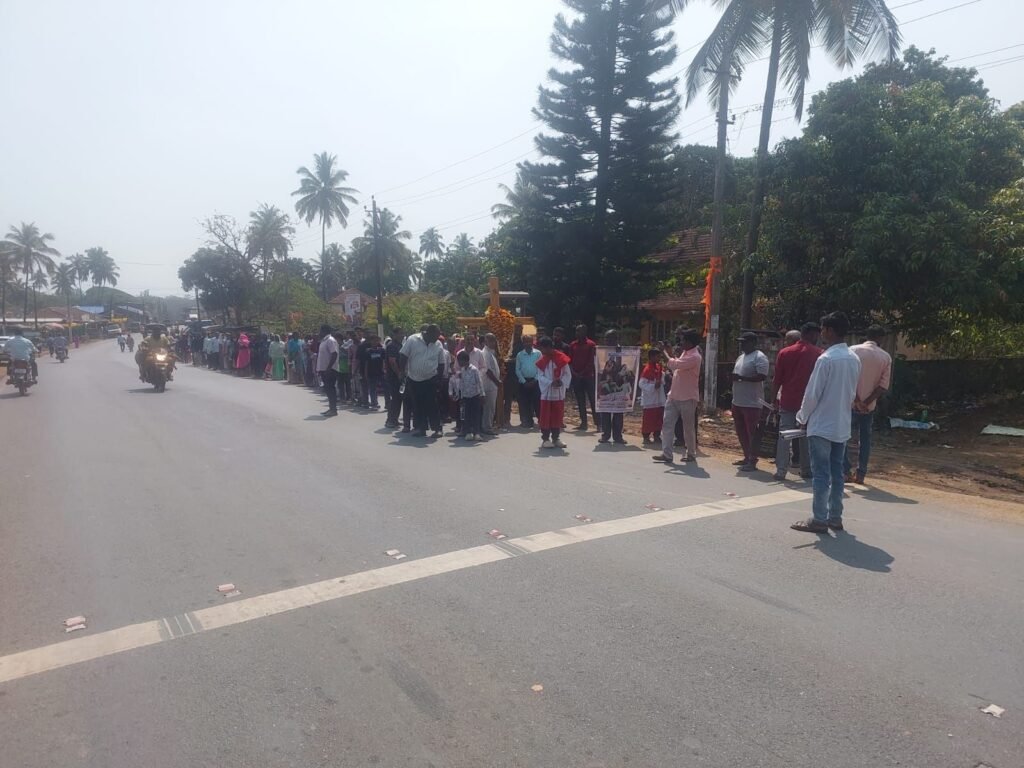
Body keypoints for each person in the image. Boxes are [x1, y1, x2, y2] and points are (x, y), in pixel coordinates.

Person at [791, 312, 862, 533]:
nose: (821, 333)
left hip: (821, 425)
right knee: (836, 473)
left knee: (821, 474)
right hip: (841, 425)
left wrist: (802, 417)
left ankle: (819, 519)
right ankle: (835, 517)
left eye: (823, 329)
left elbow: (812, 394)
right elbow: (852, 392)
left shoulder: (826, 359)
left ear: (830, 331)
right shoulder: (853, 358)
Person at [770, 322, 822, 480]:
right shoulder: (819, 353)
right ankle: (806, 470)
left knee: (784, 436)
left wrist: (773, 400)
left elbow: (777, 380)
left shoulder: (785, 352)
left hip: (788, 401)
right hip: (809, 404)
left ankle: (781, 471)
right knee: (806, 435)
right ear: (812, 335)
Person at [845, 325, 892, 484]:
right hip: (868, 407)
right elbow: (882, 386)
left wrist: (857, 400)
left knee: (844, 437)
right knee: (864, 440)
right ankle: (861, 474)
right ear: (881, 338)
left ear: (867, 335)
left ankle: (845, 472)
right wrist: (866, 402)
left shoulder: (852, 351)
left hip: (850, 404)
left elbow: (848, 379)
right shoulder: (885, 357)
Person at [653, 330, 702, 464]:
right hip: (674, 395)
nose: (681, 343)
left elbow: (675, 364)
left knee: (688, 428)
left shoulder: (694, 357)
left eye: (683, 340)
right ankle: (667, 454)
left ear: (690, 342)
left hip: (688, 397)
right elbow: (676, 367)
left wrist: (664, 352)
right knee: (667, 425)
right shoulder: (685, 353)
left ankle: (691, 453)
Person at [730, 332, 769, 471]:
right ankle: (746, 456)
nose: (742, 344)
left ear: (753, 343)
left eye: (744, 342)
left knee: (752, 433)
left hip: (752, 402)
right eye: (741, 342)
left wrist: (742, 378)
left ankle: (753, 460)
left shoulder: (759, 357)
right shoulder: (741, 357)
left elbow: (762, 376)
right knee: (741, 431)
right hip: (738, 401)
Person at [399, 324, 445, 438]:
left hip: (431, 379)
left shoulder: (438, 344)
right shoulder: (412, 340)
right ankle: (421, 428)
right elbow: (403, 356)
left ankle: (437, 429)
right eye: (436, 336)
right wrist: (401, 372)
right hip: (414, 379)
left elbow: (441, 363)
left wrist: (439, 379)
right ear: (428, 333)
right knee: (418, 405)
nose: (437, 338)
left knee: (433, 405)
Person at [535, 336, 572, 449]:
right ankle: (545, 439)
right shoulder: (542, 360)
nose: (542, 351)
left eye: (542, 348)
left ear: (548, 347)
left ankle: (556, 438)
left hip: (558, 393)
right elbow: (540, 376)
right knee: (545, 416)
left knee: (557, 415)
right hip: (547, 393)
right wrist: (550, 383)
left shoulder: (561, 357)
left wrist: (561, 382)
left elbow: (567, 373)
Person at [597, 329, 627, 444]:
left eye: (609, 339)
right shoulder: (602, 351)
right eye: (606, 339)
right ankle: (605, 435)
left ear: (616, 339)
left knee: (618, 412)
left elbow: (624, 367)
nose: (607, 341)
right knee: (605, 410)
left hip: (618, 385)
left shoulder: (622, 351)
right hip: (605, 385)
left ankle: (618, 436)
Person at [569, 324, 598, 431]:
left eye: (579, 331)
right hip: (576, 376)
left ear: (585, 332)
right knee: (580, 401)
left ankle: (598, 424)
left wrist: (582, 373)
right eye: (576, 331)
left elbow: (591, 361)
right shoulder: (573, 345)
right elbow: (570, 360)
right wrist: (574, 372)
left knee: (593, 400)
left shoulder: (591, 344)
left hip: (588, 376)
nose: (577, 333)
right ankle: (583, 423)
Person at [451, 349, 484, 441]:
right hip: (466, 397)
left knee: (476, 415)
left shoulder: (474, 370)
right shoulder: (462, 371)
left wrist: (482, 394)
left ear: (466, 360)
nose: (459, 363)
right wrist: (461, 396)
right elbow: (461, 384)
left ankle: (477, 433)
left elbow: (479, 382)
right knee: (466, 415)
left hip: (475, 395)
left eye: (460, 361)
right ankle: (468, 432)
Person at [638, 348, 666, 444]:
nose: (659, 358)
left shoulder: (658, 367)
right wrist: (653, 386)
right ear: (652, 357)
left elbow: (662, 379)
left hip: (659, 398)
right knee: (649, 418)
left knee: (659, 417)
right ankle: (646, 436)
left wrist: (661, 380)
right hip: (650, 399)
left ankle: (657, 435)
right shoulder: (647, 369)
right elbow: (641, 384)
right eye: (657, 356)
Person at [515, 334, 542, 428]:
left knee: (537, 402)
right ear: (523, 343)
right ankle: (527, 421)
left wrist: (535, 380)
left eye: (529, 341)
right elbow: (517, 370)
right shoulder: (520, 355)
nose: (528, 343)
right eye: (525, 341)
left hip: (536, 381)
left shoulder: (538, 353)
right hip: (524, 382)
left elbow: (541, 368)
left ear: (533, 342)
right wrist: (524, 381)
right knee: (524, 402)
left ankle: (541, 421)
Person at [384, 327, 407, 429]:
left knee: (398, 399)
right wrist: (399, 374)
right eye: (400, 333)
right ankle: (390, 420)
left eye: (403, 333)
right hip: (393, 376)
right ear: (394, 334)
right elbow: (392, 362)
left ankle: (394, 419)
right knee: (395, 399)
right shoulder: (392, 346)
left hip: (399, 376)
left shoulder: (399, 345)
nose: (402, 335)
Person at [316, 325, 341, 416]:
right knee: (327, 390)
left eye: (320, 330)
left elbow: (334, 354)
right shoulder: (324, 341)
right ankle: (331, 408)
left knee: (331, 389)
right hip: (324, 369)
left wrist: (329, 368)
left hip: (330, 370)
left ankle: (333, 410)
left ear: (324, 331)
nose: (319, 332)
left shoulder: (330, 340)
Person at [480, 333, 502, 436]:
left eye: (494, 341)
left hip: (493, 384)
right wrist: (497, 382)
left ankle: (487, 426)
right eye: (491, 341)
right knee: (489, 407)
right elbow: (488, 371)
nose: (493, 343)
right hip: (489, 384)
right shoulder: (485, 353)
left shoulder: (491, 352)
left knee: (490, 407)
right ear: (485, 341)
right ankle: (487, 427)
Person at [365, 335, 386, 410]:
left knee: (386, 388)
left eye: (377, 340)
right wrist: (366, 373)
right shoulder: (368, 351)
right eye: (373, 340)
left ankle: (388, 404)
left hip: (381, 372)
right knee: (372, 389)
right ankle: (374, 403)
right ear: (371, 341)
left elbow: (384, 361)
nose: (375, 342)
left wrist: (385, 370)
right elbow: (366, 363)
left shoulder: (382, 350)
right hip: (371, 372)